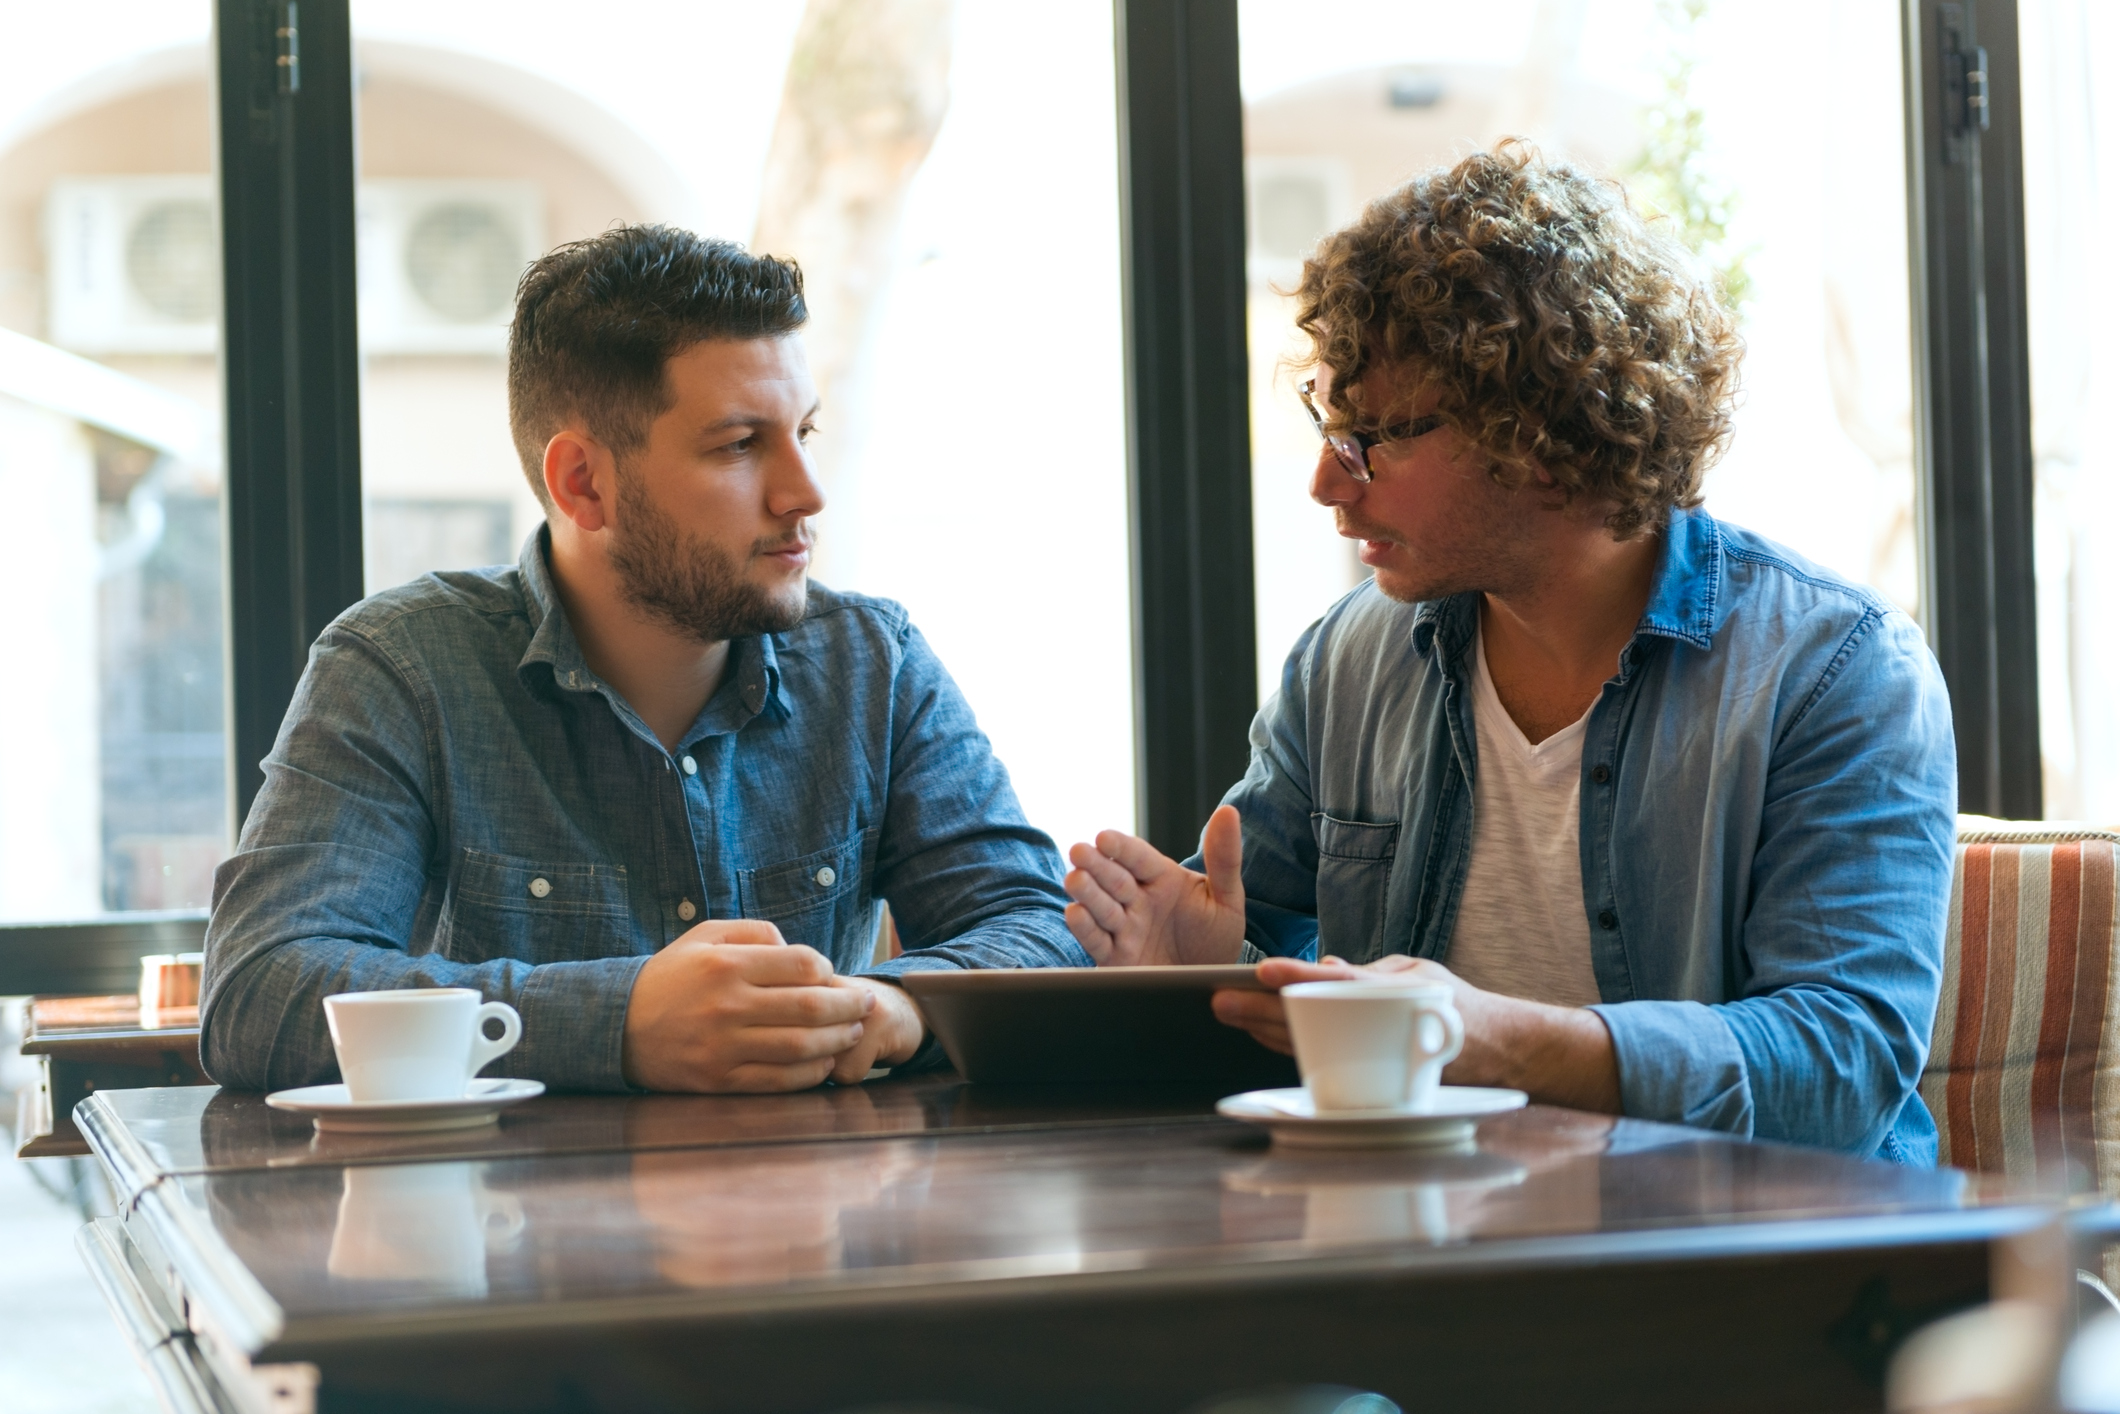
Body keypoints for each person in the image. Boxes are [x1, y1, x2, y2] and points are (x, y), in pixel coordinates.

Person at [1061, 143, 1956, 1162]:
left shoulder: (1834, 670)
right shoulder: (1349, 659)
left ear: (1536, 429)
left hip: (1747, 1263)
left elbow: (1839, 1061)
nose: (1324, 481)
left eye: (1374, 439)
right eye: (1325, 425)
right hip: (1428, 1233)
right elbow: (1266, 954)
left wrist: (1496, 1038)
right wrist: (1202, 978)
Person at [201, 225, 1084, 1095]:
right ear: (583, 482)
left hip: (814, 1223)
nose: (804, 493)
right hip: (508, 1228)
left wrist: (898, 1011)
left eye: (803, 434)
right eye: (740, 445)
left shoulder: (872, 665)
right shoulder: (401, 668)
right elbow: (260, 993)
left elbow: (1036, 926)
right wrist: (616, 1022)